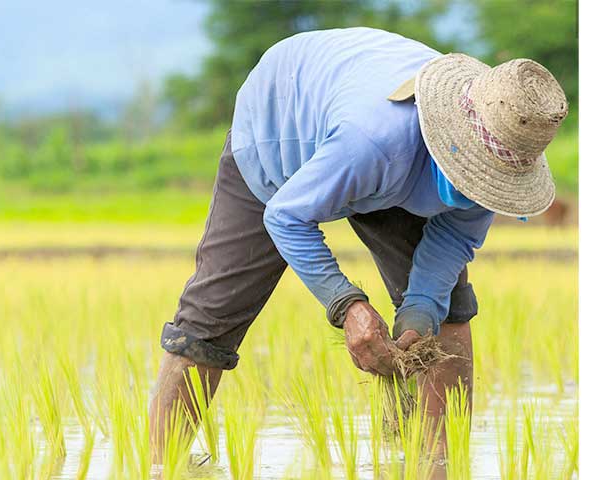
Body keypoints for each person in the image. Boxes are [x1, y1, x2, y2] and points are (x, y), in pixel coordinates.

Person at [148, 27, 568, 458]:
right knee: (210, 319)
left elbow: (455, 237)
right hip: (283, 129)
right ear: (450, 145)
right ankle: (160, 471)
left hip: (388, 158)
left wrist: (421, 307)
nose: (482, 187)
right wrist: (346, 305)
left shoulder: (501, 153)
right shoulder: (374, 141)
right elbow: (286, 215)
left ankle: (439, 467)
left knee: (447, 313)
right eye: (477, 174)